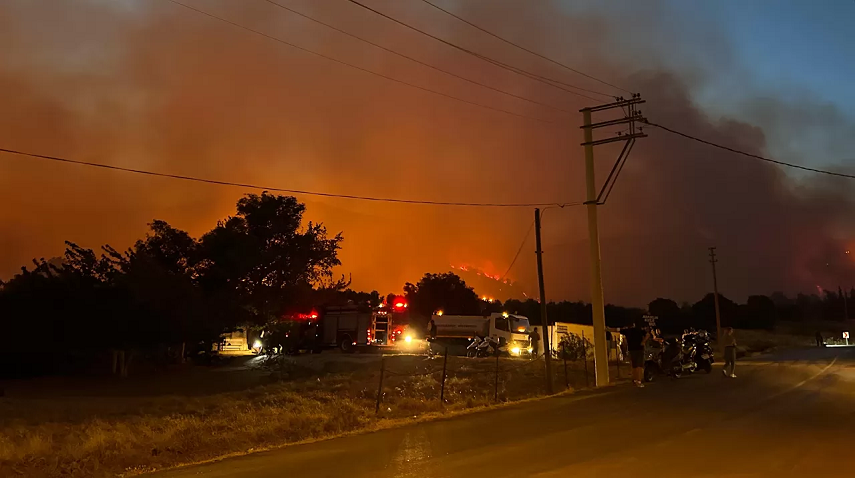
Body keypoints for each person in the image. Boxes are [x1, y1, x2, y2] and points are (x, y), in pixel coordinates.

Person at [612, 322, 650, 387]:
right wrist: (643, 342)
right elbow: (648, 335)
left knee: (634, 365)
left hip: (632, 349)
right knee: (639, 365)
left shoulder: (628, 331)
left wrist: (608, 329)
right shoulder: (638, 330)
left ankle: (635, 379)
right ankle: (638, 380)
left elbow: (617, 330)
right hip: (638, 349)